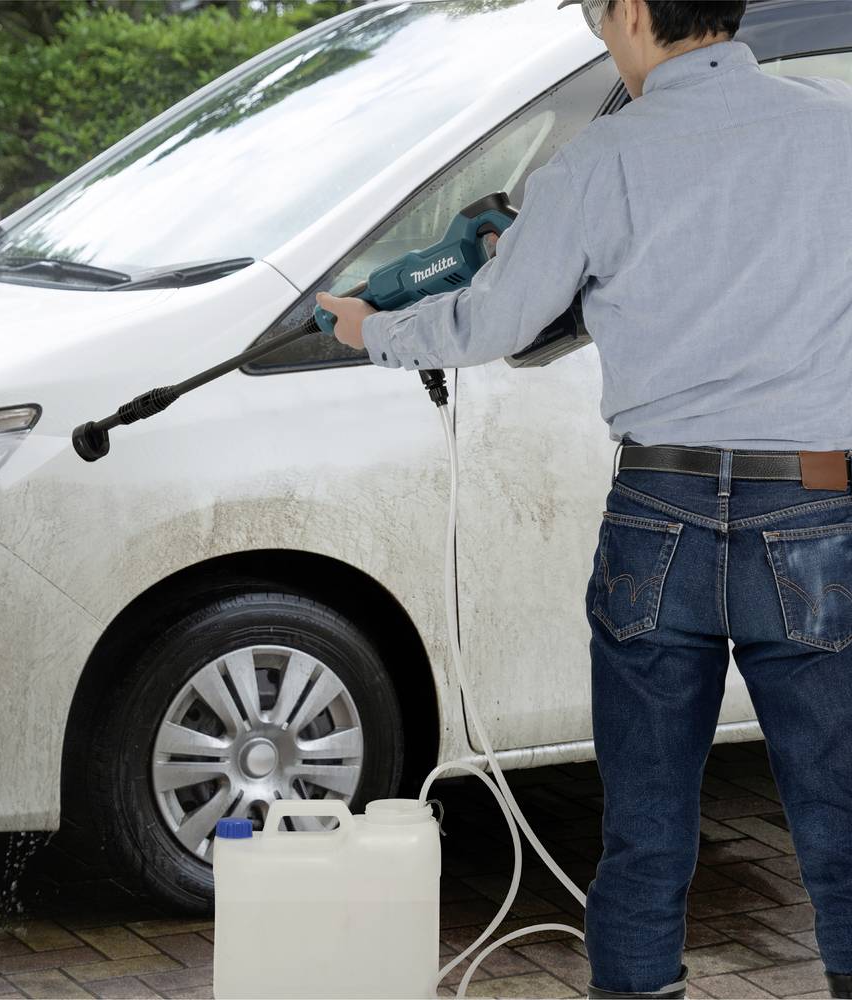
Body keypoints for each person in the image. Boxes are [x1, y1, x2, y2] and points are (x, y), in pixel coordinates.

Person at [316, 1, 852, 998]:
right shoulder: (837, 133)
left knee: (645, 835)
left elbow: (488, 321)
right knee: (841, 822)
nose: (598, 30)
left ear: (638, 12)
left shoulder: (593, 164)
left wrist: (363, 330)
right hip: (817, 497)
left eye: (598, 12)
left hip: (660, 506)